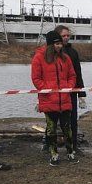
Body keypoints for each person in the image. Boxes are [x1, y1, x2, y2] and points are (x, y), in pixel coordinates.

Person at [31, 30, 77, 166]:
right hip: (49, 100)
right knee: (51, 129)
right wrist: (48, 90)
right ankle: (54, 154)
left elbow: (72, 75)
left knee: (67, 128)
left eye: (60, 44)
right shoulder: (39, 57)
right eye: (57, 44)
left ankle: (70, 152)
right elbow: (36, 78)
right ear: (50, 44)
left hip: (65, 100)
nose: (59, 46)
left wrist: (68, 88)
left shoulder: (65, 58)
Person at [55, 25, 87, 153]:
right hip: (55, 93)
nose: (66, 38)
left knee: (73, 120)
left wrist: (81, 94)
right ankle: (48, 144)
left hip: (71, 91)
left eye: (68, 35)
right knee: (53, 119)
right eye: (64, 36)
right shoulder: (51, 52)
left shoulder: (73, 53)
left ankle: (74, 145)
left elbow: (78, 74)